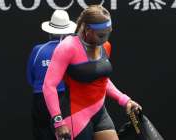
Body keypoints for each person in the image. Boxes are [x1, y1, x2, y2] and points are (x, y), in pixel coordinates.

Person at [42, 5, 142, 140]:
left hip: (100, 113)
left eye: (108, 33)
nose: (105, 39)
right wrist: (58, 121)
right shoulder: (67, 47)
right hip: (74, 115)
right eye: (101, 35)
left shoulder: (106, 46)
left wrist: (125, 100)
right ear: (87, 29)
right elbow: (49, 86)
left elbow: (102, 80)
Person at [27, 10, 77, 140]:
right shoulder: (72, 50)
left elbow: (30, 77)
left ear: (50, 30)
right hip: (63, 99)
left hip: (40, 100)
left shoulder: (38, 50)